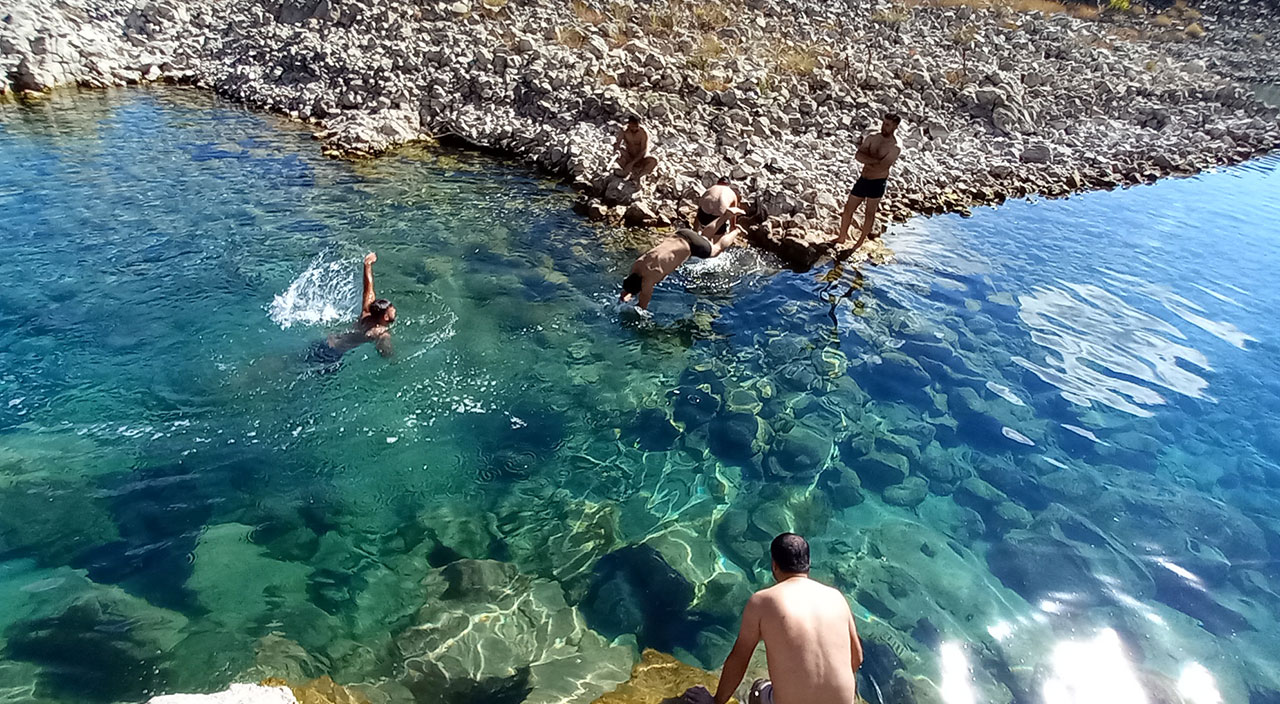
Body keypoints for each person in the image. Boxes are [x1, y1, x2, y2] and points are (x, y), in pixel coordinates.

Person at [683, 533, 863, 704]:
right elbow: (857, 658)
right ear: (808, 563)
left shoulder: (761, 601)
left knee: (759, 686)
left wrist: (715, 701)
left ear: (774, 565)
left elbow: (739, 659)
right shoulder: (836, 597)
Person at [620, 217, 739, 311]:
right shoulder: (637, 264)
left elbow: (642, 306)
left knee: (716, 250)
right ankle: (725, 215)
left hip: (691, 246)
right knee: (703, 236)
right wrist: (625, 296)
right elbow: (630, 285)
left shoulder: (648, 281)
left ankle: (736, 231)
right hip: (682, 234)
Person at [308, 252, 396, 367]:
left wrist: (367, 264)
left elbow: (368, 290)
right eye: (392, 310)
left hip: (326, 342)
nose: (395, 310)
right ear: (385, 317)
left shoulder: (366, 313)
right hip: (332, 354)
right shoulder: (379, 332)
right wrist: (392, 359)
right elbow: (385, 351)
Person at [837, 113, 902, 251]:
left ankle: (860, 242)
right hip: (863, 179)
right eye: (883, 123)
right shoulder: (873, 138)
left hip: (877, 183)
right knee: (848, 208)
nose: (884, 127)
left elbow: (882, 166)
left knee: (869, 213)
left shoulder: (895, 147)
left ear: (895, 127)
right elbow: (858, 155)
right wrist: (874, 160)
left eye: (888, 125)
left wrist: (867, 159)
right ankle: (842, 237)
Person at [615, 116, 659, 186]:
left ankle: (638, 177)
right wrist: (617, 151)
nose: (635, 128)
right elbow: (617, 144)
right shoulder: (625, 131)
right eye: (633, 126)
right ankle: (625, 172)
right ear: (629, 125)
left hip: (641, 158)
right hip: (630, 156)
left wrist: (632, 163)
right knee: (620, 152)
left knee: (654, 160)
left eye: (636, 126)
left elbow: (644, 151)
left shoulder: (643, 132)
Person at [695, 177, 741, 243]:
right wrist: (733, 230)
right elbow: (733, 215)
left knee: (702, 237)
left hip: (704, 215)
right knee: (716, 244)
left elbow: (700, 207)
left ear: (718, 183)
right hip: (718, 219)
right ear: (728, 185)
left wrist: (695, 229)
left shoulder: (710, 189)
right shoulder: (732, 193)